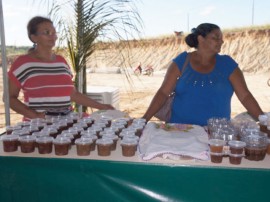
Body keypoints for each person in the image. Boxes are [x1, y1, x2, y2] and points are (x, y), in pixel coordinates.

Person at [142, 23, 264, 126]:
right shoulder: (182, 61)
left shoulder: (228, 64)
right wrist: (144, 119)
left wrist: (265, 121)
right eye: (216, 38)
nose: (221, 41)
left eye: (221, 38)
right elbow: (163, 93)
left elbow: (245, 96)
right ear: (201, 39)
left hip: (216, 135)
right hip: (179, 131)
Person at [7, 16, 114, 120]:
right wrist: (35, 115)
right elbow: (9, 98)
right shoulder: (22, 63)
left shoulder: (61, 62)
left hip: (67, 125)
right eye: (47, 32)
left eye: (54, 33)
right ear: (33, 37)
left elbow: (73, 94)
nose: (53, 36)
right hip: (38, 130)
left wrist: (102, 106)